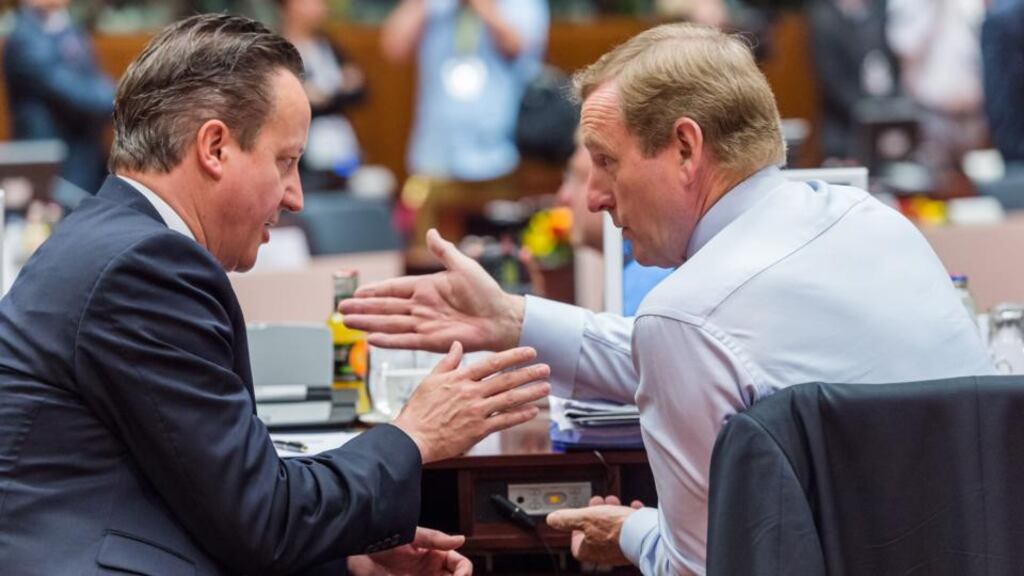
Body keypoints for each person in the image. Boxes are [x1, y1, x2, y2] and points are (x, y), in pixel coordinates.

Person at [339, 23, 996, 575]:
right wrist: (512, 319)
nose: (593, 197)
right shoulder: (871, 220)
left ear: (686, 147)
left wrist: (630, 534)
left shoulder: (690, 316)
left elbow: (699, 566)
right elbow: (705, 352)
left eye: (605, 160)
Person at [0, 14, 552, 575]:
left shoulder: (110, 237)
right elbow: (261, 519)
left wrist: (351, 563)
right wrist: (414, 435)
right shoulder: (145, 266)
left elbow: (214, 502)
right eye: (285, 162)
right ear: (214, 147)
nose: (296, 197)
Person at [381, 0, 548, 243]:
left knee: (496, 256)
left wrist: (482, 6)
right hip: (435, 153)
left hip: (496, 154)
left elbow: (518, 47)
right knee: (426, 254)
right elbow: (394, 47)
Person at [2, 0, 115, 194]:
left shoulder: (69, 28)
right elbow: (76, 93)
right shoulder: (24, 37)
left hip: (85, 156)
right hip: (53, 166)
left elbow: (94, 79)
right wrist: (125, 99)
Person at [278, 0, 367, 184]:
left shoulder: (329, 46)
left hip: (339, 142)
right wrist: (335, 89)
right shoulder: (277, 49)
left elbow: (360, 90)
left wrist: (324, 95)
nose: (320, 7)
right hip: (302, 150)